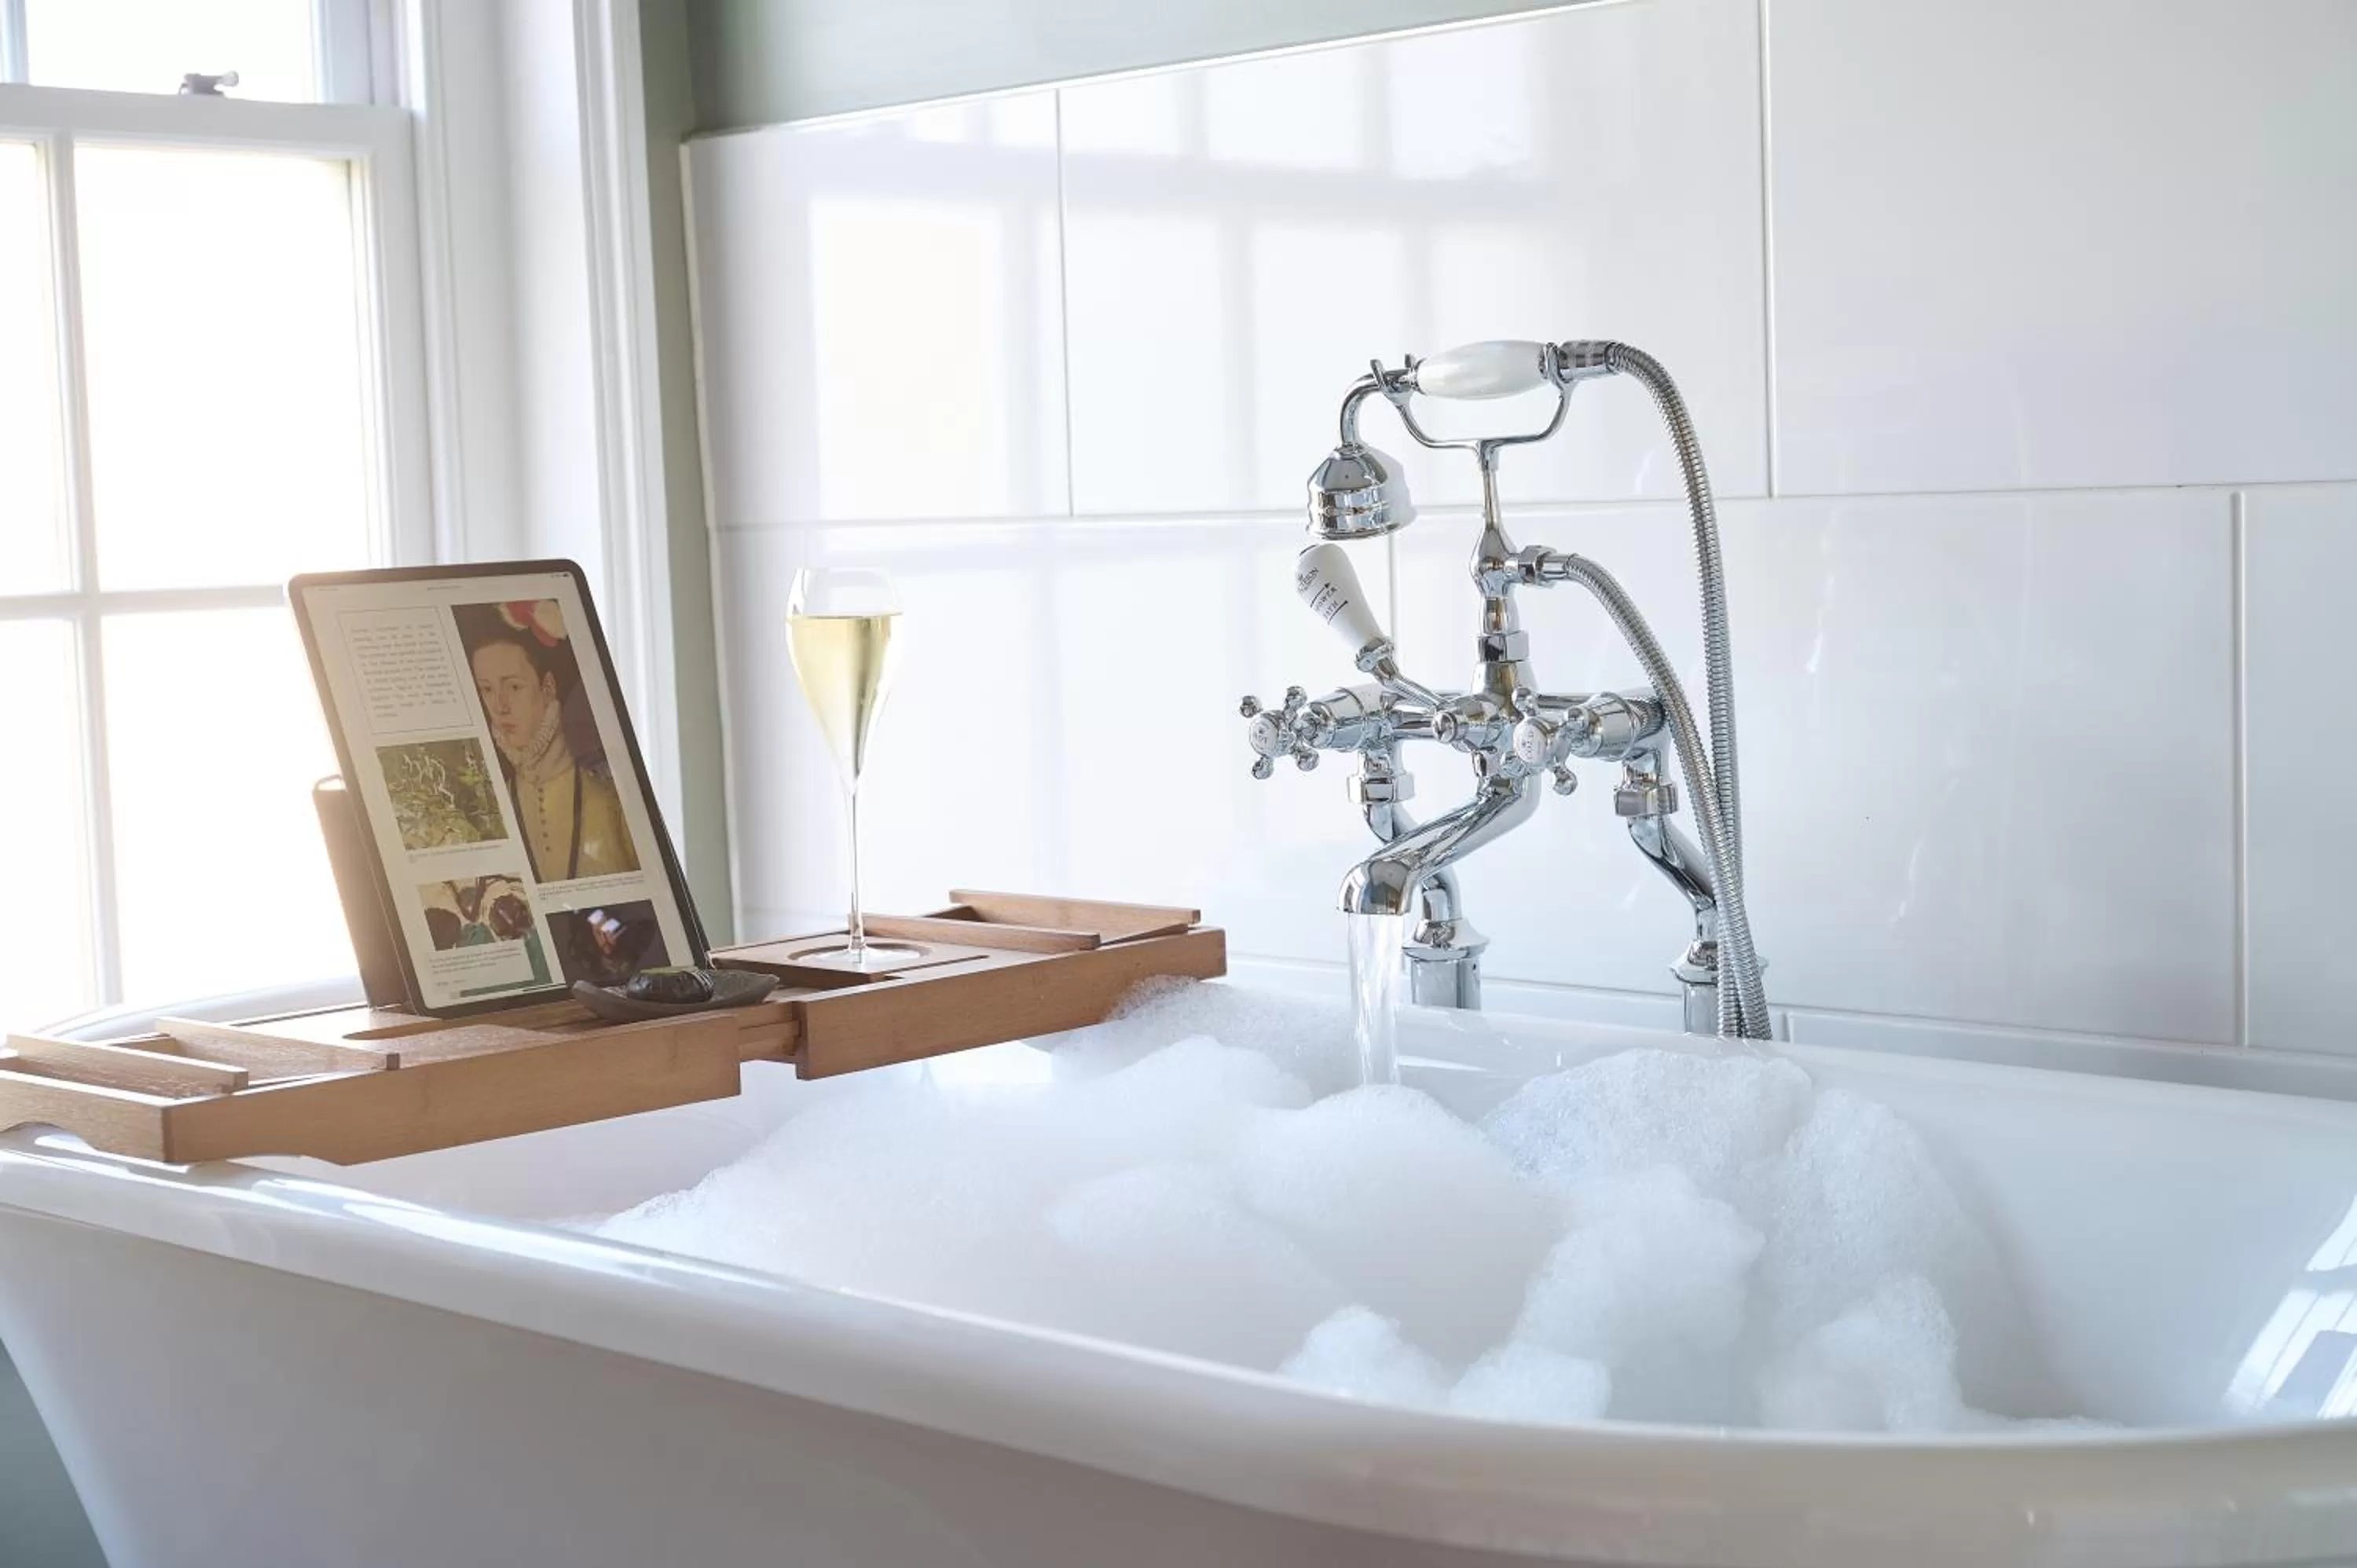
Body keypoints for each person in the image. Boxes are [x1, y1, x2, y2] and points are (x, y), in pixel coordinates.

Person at [465, 604, 640, 882]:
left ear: (547, 688)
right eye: (487, 690)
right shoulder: (492, 807)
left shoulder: (610, 794)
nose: (499, 706)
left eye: (513, 687)